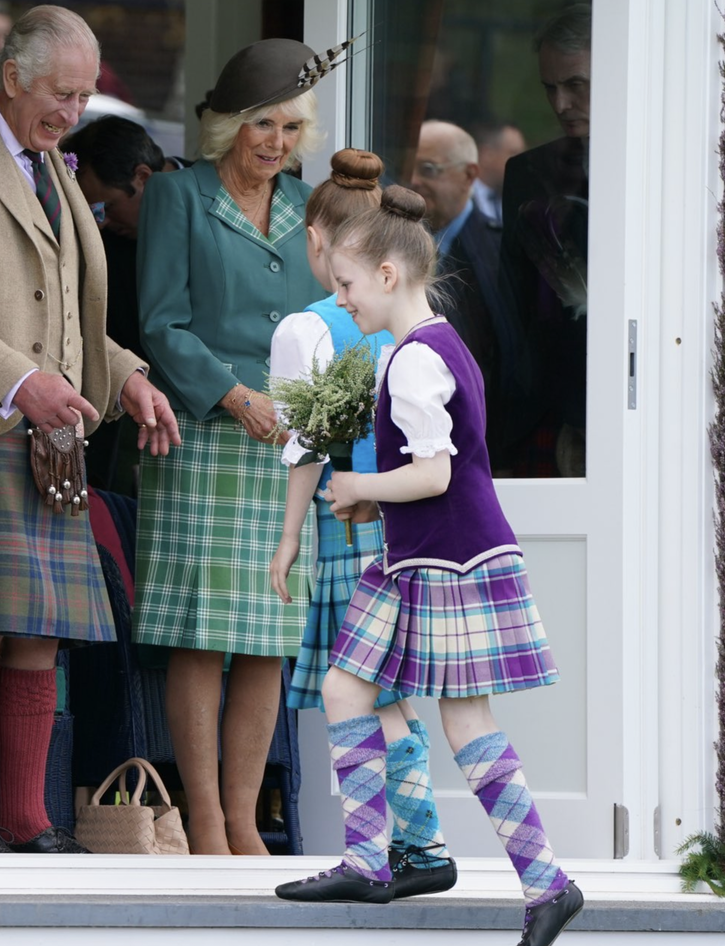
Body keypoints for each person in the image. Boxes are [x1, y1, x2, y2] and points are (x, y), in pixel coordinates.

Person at [0, 4, 179, 853]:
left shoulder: (56, 167)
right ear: (11, 78)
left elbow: (78, 315)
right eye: (61, 93)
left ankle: (26, 817)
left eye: (84, 97)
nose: (72, 111)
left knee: (38, 628)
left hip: (51, 433)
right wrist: (22, 380)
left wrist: (124, 379)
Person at [275, 185, 581, 946]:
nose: (340, 301)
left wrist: (357, 487)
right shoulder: (440, 343)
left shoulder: (412, 362)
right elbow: (439, 470)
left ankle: (540, 881)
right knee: (349, 687)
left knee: (462, 719)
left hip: (448, 559)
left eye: (345, 286)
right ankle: (375, 859)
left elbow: (437, 474)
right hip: (425, 552)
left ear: (386, 275)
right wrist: (377, 505)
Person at [131, 37, 345, 856]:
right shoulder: (177, 197)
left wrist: (315, 415)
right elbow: (161, 322)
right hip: (205, 435)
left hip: (286, 444)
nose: (277, 144)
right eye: (263, 125)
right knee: (203, 632)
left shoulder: (311, 209)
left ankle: (247, 819)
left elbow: (332, 323)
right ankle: (204, 820)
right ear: (228, 125)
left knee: (270, 635)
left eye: (291, 128)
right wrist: (232, 393)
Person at [267, 149, 457, 900]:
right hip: (409, 527)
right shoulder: (416, 322)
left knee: (361, 695)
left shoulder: (305, 327)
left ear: (317, 238)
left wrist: (289, 539)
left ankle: (396, 851)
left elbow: (304, 444)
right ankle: (419, 844)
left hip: (350, 525)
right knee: (388, 697)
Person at [59, 114, 180, 493]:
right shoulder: (101, 239)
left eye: (105, 207)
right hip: (117, 411)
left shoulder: (205, 203)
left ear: (142, 177)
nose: (101, 224)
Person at [498, 4, 591, 476]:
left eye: (576, 85)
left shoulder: (662, 168)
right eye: (550, 88)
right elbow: (512, 305)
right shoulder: (526, 173)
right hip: (544, 405)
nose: (560, 104)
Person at [408, 120, 507, 443]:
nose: (413, 181)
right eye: (410, 167)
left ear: (469, 175)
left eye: (428, 169)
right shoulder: (397, 246)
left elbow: (505, 360)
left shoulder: (496, 255)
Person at [470, 121, 525, 225]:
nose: (521, 162)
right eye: (514, 153)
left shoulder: (517, 202)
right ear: (487, 155)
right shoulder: (462, 199)